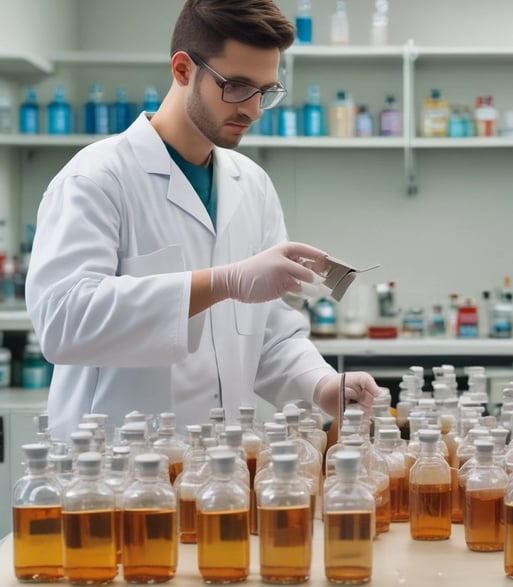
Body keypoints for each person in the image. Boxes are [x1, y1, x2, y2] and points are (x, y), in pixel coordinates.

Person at [25, 0, 379, 439]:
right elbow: (63, 323)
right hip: (112, 470)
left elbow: (270, 333)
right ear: (182, 70)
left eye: (265, 91)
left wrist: (322, 385)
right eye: (236, 86)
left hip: (219, 473)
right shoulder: (96, 178)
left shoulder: (252, 185)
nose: (252, 109)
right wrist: (221, 283)